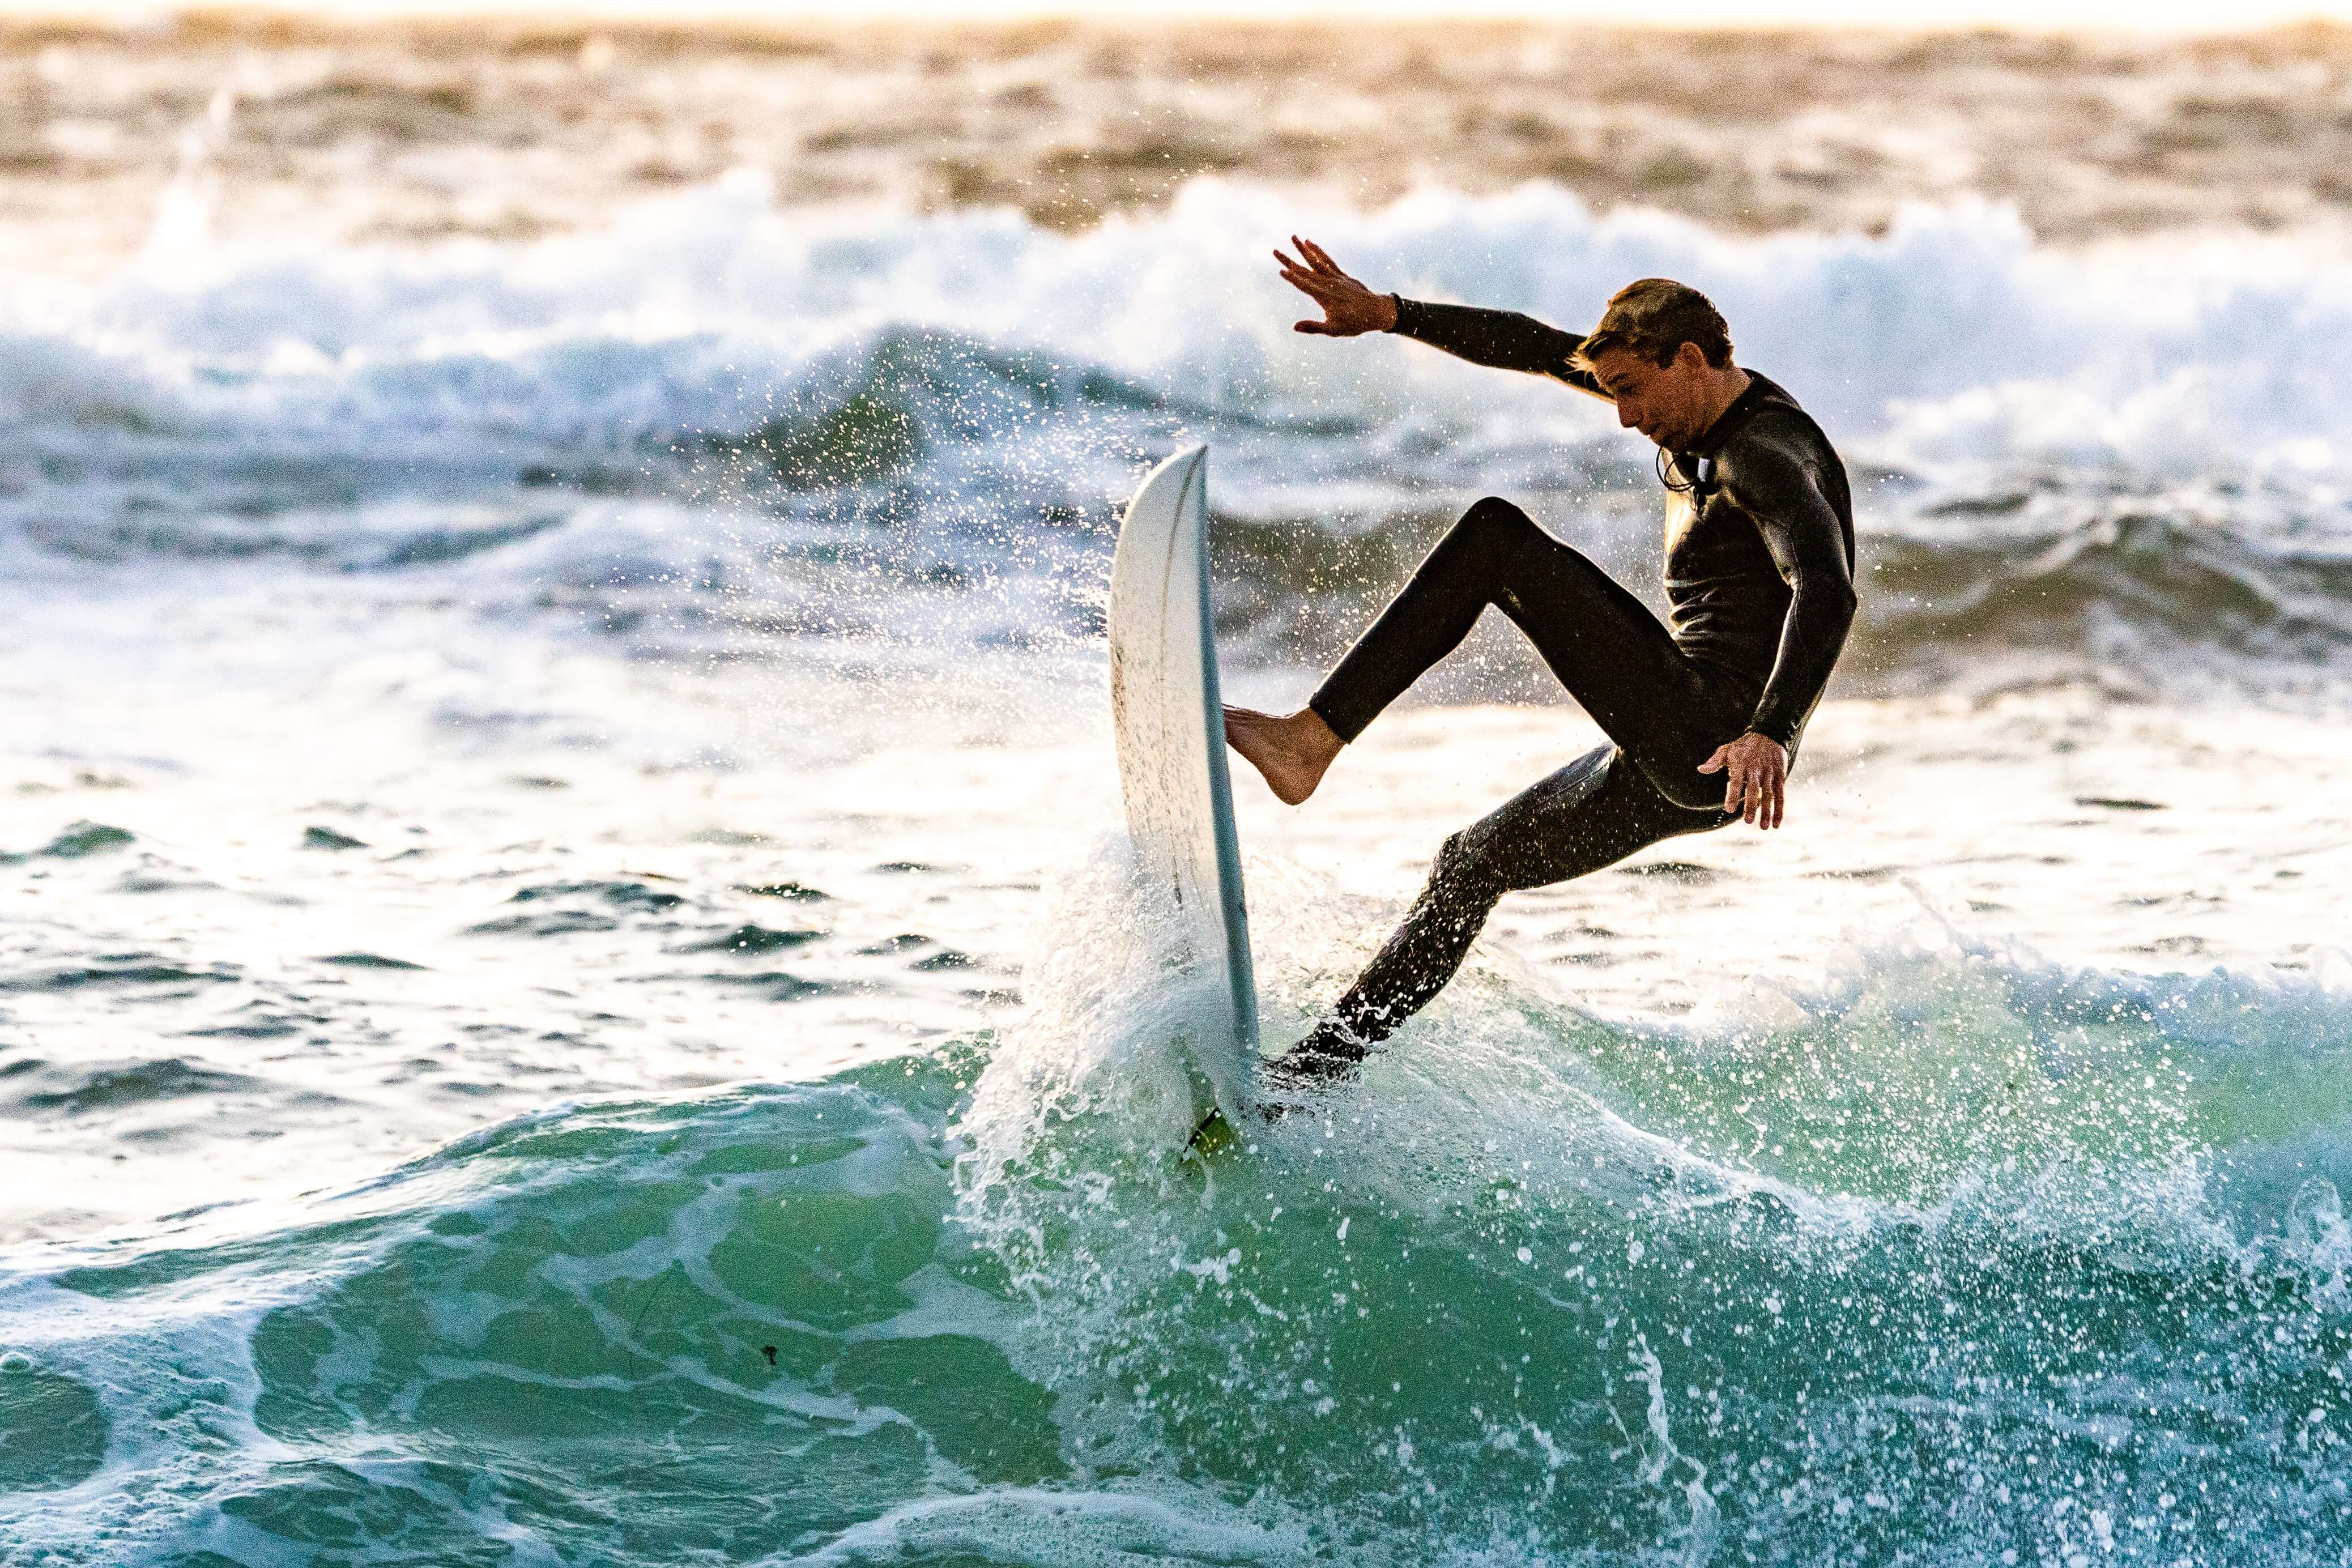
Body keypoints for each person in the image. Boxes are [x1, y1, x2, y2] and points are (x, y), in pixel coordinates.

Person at [1226, 237, 1857, 1094]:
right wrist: (1388, 315)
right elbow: (1527, 342)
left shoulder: (1763, 455)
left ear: (1690, 359)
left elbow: (1827, 586)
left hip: (1717, 735)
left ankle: (1311, 741)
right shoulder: (1689, 411)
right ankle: (1302, 1084)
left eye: (1633, 392)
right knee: (1470, 864)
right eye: (1610, 393)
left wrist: (1770, 735)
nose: (1625, 418)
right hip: (1680, 749)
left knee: (1496, 539)